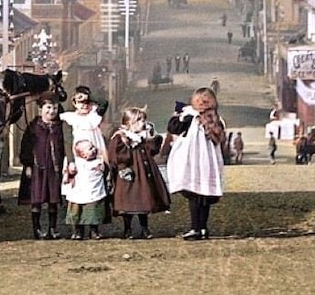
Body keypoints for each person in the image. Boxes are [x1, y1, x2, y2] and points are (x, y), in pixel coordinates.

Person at [166, 87, 226, 241]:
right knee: (197, 194)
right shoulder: (189, 116)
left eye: (204, 101)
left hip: (201, 160)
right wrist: (179, 116)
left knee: (199, 194)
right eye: (198, 101)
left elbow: (219, 137)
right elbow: (174, 128)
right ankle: (201, 227)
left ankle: (197, 227)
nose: (201, 104)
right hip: (195, 160)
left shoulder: (211, 119)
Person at [108, 107, 170, 239]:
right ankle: (127, 229)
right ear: (130, 122)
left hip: (143, 172)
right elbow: (115, 155)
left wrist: (151, 138)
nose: (143, 123)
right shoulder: (121, 137)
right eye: (140, 120)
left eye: (144, 120)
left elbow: (152, 151)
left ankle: (144, 228)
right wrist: (123, 166)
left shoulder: (142, 137)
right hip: (128, 173)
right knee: (127, 200)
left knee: (144, 198)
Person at [18, 92, 65, 240]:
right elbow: (26, 147)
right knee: (36, 199)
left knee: (53, 199)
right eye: (48, 107)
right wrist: (27, 165)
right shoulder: (33, 127)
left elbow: (64, 146)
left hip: (54, 168)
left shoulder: (60, 127)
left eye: (55, 108)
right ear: (41, 108)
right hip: (38, 168)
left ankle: (52, 228)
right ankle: (36, 229)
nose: (52, 111)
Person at [63, 139, 109, 240]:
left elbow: (104, 171)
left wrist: (103, 168)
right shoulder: (75, 163)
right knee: (76, 212)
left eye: (93, 147)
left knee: (93, 211)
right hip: (79, 191)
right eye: (90, 148)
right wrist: (69, 174)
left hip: (93, 191)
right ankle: (77, 231)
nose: (94, 150)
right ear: (83, 154)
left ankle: (94, 230)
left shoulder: (98, 161)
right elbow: (67, 175)